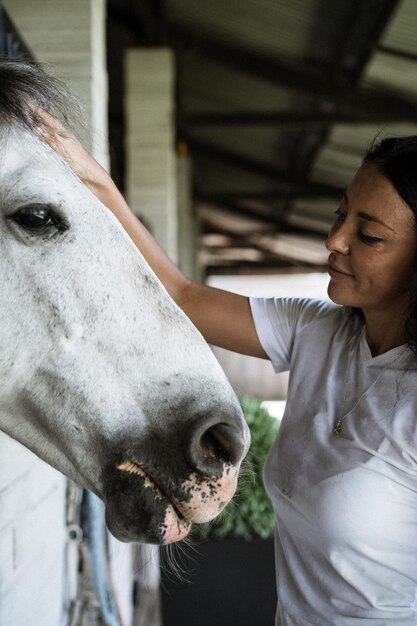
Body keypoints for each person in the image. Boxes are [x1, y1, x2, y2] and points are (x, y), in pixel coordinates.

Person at [40, 113, 417, 624]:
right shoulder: (315, 331)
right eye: (341, 214)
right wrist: (93, 178)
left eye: (368, 235)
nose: (335, 240)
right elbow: (180, 294)